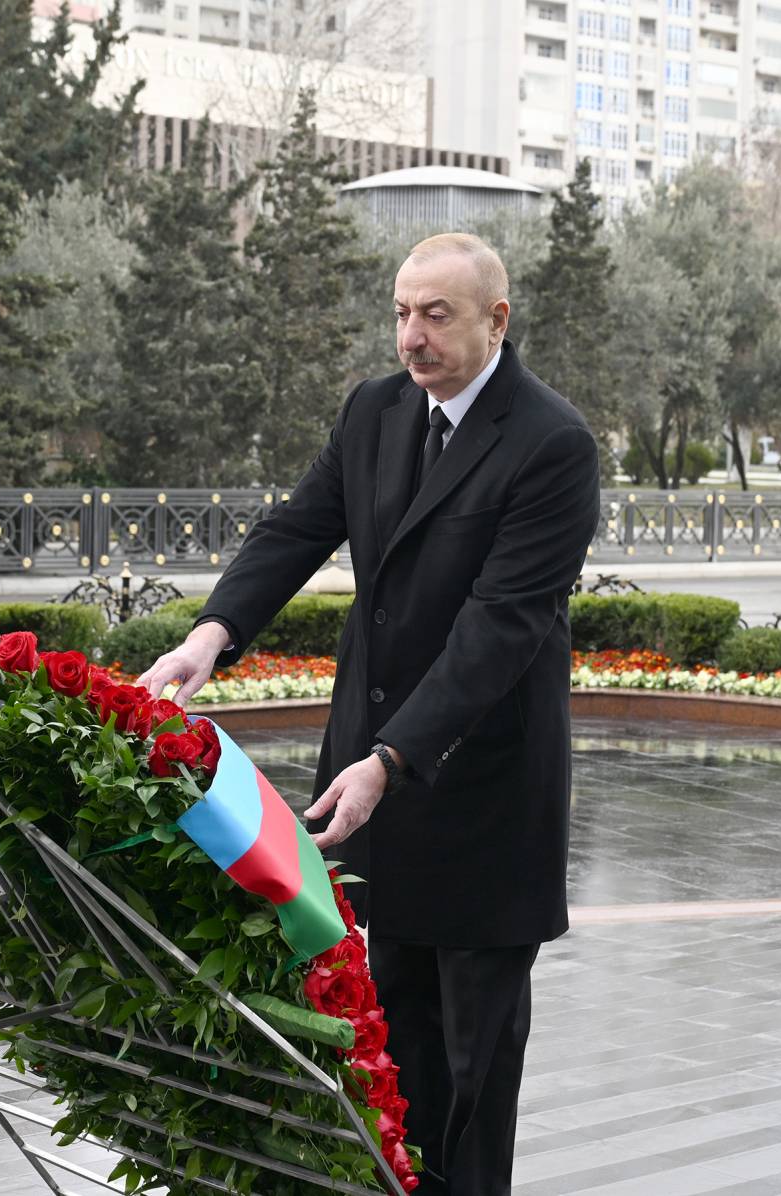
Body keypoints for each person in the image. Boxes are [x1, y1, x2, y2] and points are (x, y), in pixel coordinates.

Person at [138, 232, 599, 1196]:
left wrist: (391, 757)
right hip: (366, 802)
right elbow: (298, 527)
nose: (411, 337)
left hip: (476, 801)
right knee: (378, 1063)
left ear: (496, 320)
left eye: (436, 315)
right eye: (401, 312)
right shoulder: (375, 411)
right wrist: (211, 635)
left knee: (468, 1096)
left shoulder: (552, 444)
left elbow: (498, 631)